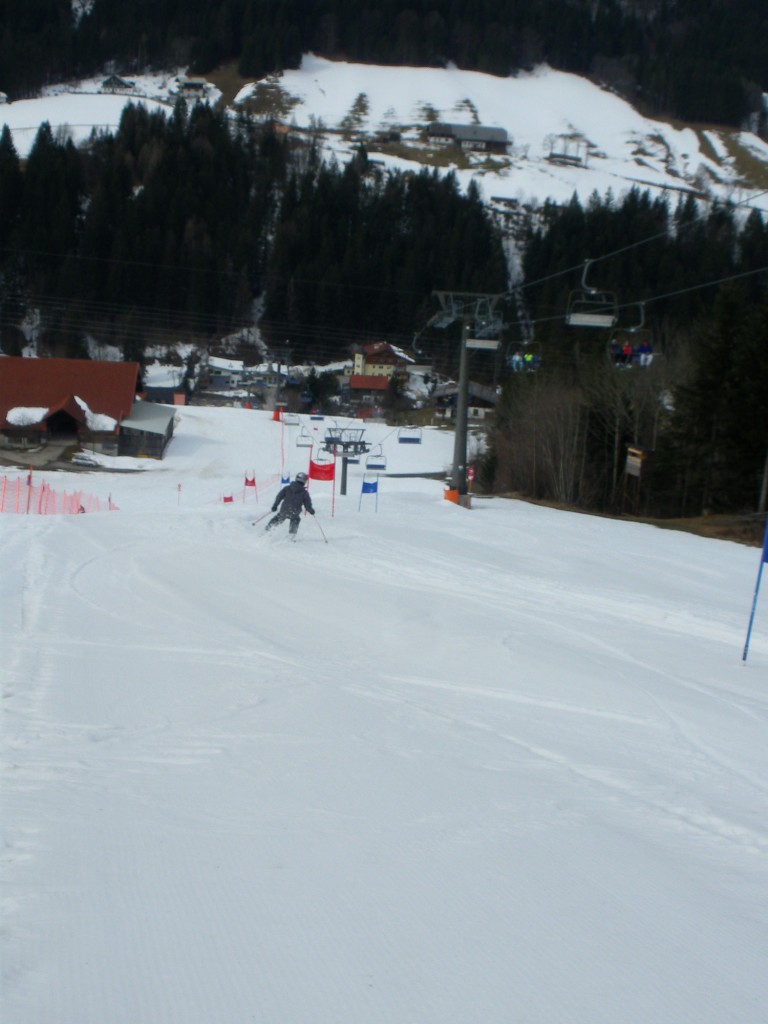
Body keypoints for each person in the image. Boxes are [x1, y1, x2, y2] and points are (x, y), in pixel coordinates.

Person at [266, 471, 315, 536]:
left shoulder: (287, 488)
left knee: (279, 517)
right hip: (294, 512)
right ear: (304, 481)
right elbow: (307, 505)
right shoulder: (304, 493)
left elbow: (279, 497)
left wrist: (275, 506)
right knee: (296, 519)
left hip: (284, 510)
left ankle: (268, 529)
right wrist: (311, 510)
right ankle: (292, 535)